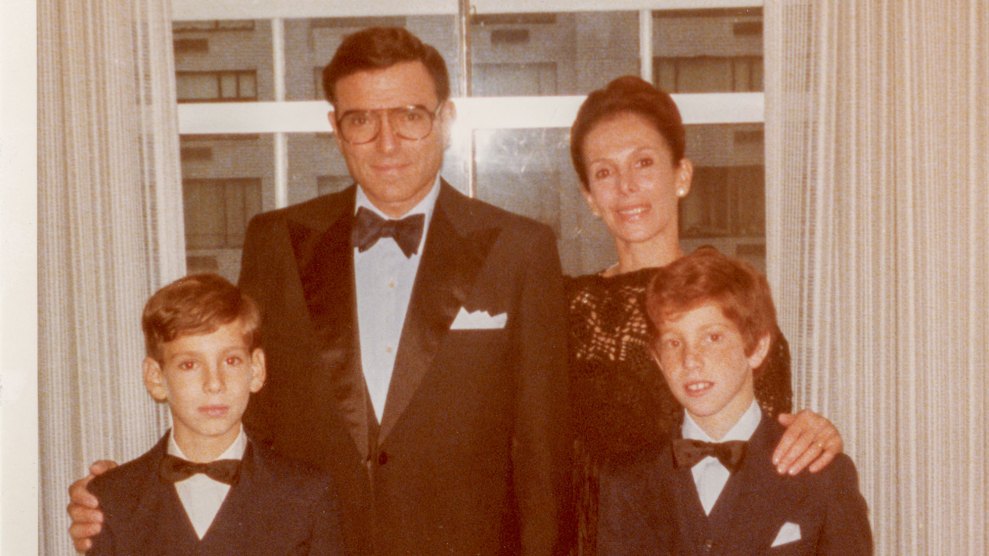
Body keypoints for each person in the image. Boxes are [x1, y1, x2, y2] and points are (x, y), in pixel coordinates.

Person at [69, 27, 572, 555]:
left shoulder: (521, 249)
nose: (387, 142)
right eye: (362, 120)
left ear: (445, 121)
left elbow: (544, 455)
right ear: (335, 129)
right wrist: (125, 497)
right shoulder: (275, 240)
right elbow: (244, 416)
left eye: (409, 115)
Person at [565, 76, 843, 553]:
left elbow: (767, 459)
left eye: (644, 162)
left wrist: (812, 433)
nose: (627, 186)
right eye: (605, 172)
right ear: (590, 197)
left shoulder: (735, 306)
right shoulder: (559, 309)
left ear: (682, 175)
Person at [596, 247, 872, 555]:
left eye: (712, 337)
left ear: (756, 347)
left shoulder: (821, 474)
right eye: (674, 342)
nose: (691, 360)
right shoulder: (627, 481)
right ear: (658, 360)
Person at [86, 273, 344, 555]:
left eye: (231, 360)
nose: (214, 383)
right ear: (155, 378)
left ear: (255, 369)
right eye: (189, 365)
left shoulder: (308, 494)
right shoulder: (113, 497)